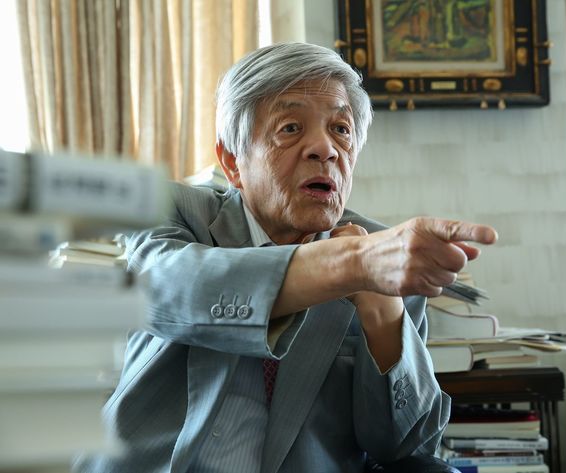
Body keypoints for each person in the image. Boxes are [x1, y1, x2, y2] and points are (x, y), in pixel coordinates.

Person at [75, 42, 497, 473]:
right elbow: (167, 290)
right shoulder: (174, 209)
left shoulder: (383, 259)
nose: (325, 149)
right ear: (233, 162)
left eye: (341, 129)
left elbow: (408, 446)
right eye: (291, 128)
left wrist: (381, 311)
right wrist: (348, 265)